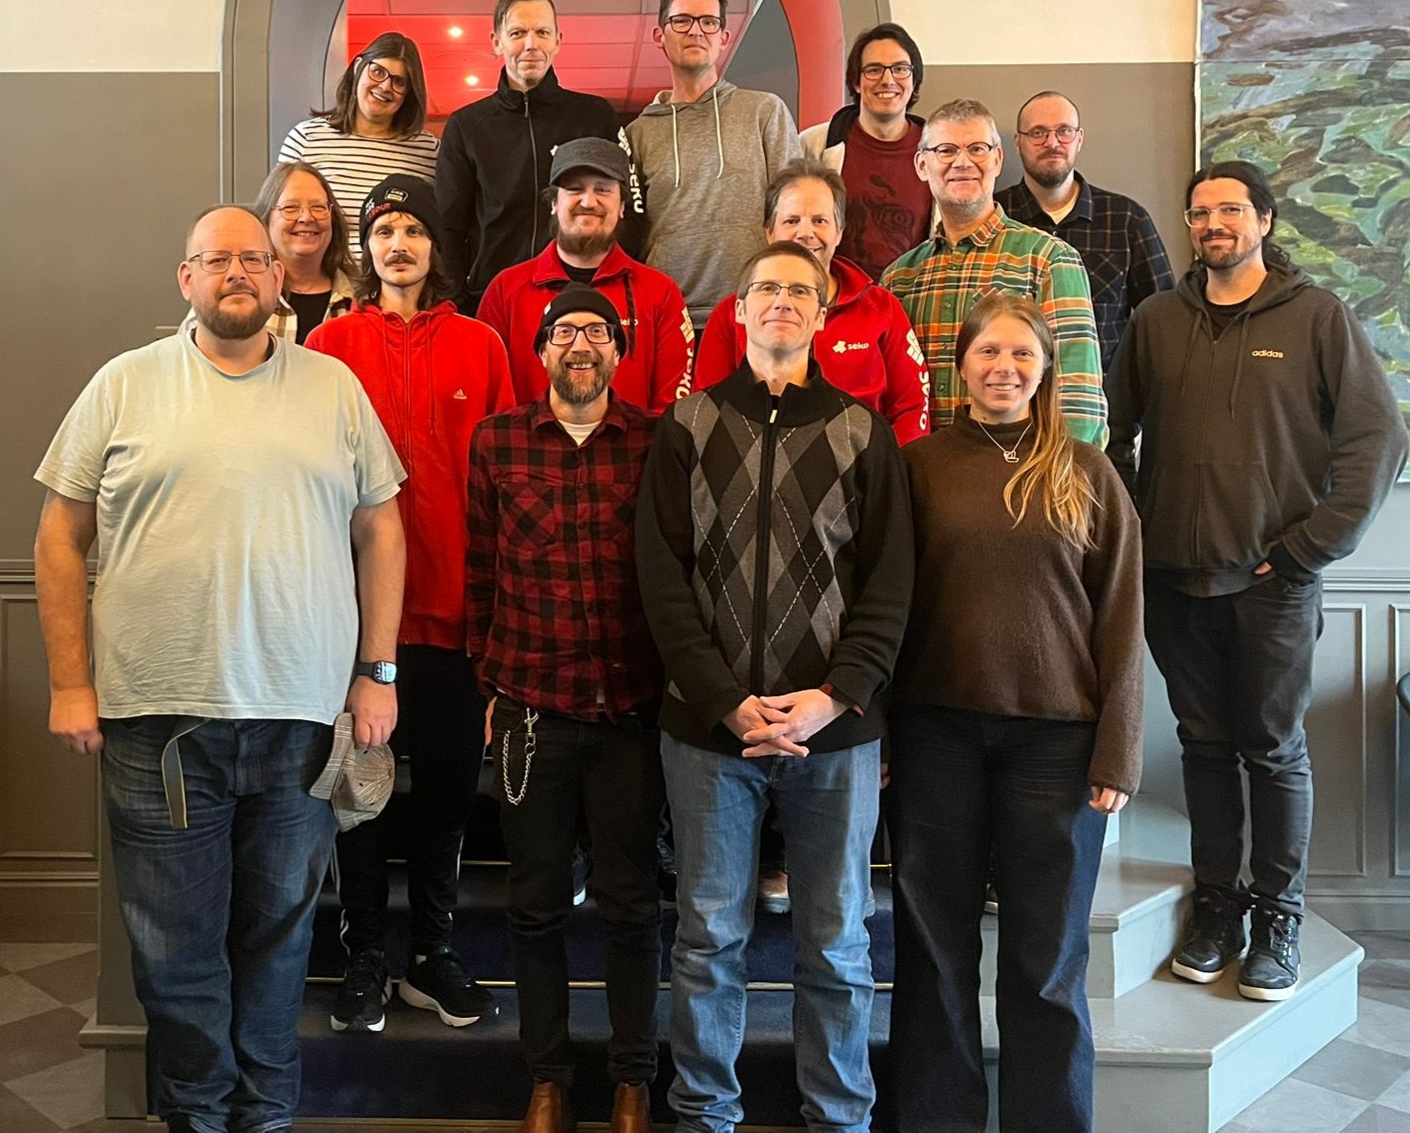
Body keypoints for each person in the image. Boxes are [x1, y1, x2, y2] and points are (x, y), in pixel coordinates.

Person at [34, 205, 406, 1133]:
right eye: (217, 259)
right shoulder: (124, 383)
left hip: (300, 719)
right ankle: (197, 1118)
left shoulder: (333, 387)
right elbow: (59, 534)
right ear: (186, 277)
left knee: (279, 943)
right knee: (174, 953)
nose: (237, 271)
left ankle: (265, 1116)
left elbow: (381, 528)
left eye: (254, 258)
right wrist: (70, 681)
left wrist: (379, 670)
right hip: (157, 723)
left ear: (280, 278)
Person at [1108, 160, 1406, 1002]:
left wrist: (1310, 547)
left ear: (1264, 220)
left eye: (1231, 210)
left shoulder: (1316, 317)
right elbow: (1112, 433)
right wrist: (1138, 529)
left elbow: (1377, 441)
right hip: (1174, 581)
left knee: (1273, 751)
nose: (1214, 224)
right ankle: (1217, 912)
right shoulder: (1157, 319)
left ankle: (1279, 919)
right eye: (1200, 212)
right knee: (1204, 746)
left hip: (1275, 583)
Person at [636, 241, 914, 1133]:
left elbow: (891, 585)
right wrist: (724, 700)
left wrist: (835, 696)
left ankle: (838, 1116)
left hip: (833, 733)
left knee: (836, 941)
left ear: (823, 314)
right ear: (739, 309)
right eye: (766, 288)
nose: (783, 301)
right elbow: (662, 579)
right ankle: (704, 1114)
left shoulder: (864, 432)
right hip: (709, 731)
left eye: (801, 290)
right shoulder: (687, 427)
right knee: (708, 937)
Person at [888, 291, 1143, 1133]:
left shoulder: (1086, 470)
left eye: (1022, 354)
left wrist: (1118, 750)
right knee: (933, 948)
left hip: (1058, 746)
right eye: (989, 352)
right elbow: (886, 609)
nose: (1004, 367)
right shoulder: (919, 467)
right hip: (935, 734)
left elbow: (1122, 618)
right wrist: (878, 732)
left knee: (1048, 954)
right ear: (960, 365)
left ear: (1046, 369)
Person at [305, 175, 512, 1033]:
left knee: (446, 798)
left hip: (457, 622)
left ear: (435, 246)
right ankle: (364, 955)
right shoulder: (329, 345)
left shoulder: (481, 344)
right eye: (384, 230)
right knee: (361, 797)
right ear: (367, 246)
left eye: (414, 230)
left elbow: (505, 487)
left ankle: (432, 952)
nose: (399, 244)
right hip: (356, 627)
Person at [467, 283, 666, 1133]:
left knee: (632, 903)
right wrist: (488, 685)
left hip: (630, 711)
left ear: (619, 350)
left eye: (597, 331)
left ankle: (631, 1080)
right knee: (535, 903)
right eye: (564, 332)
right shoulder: (497, 440)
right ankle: (548, 1075)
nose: (580, 345)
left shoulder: (657, 438)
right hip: (531, 709)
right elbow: (481, 570)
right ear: (541, 348)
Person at [884, 97, 1108, 445]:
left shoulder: (1047, 260)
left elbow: (1078, 398)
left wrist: (1064, 473)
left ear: (998, 159)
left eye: (977, 149)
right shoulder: (899, 278)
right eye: (946, 150)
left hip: (1019, 469)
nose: (963, 162)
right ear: (922, 165)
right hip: (920, 469)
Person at [692, 158, 930, 446]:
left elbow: (912, 408)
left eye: (820, 221)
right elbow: (708, 409)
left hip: (863, 466)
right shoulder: (733, 314)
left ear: (839, 232)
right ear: (770, 232)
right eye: (791, 221)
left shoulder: (881, 308)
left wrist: (885, 467)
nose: (806, 233)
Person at [437, 0, 646, 309]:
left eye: (542, 32)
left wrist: (608, 287)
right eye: (518, 33)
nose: (531, 44)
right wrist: (454, 306)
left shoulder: (595, 116)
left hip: (582, 303)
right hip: (492, 301)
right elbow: (448, 228)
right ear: (497, 41)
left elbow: (631, 211)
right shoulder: (466, 127)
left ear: (557, 41)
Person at [627, 0, 802, 328]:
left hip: (756, 313)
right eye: (682, 21)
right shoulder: (638, 134)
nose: (696, 31)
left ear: (724, 37)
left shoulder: (764, 111)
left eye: (708, 22)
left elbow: (795, 210)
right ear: (660, 36)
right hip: (670, 317)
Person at [479, 137, 693, 413]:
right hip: (526, 442)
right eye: (574, 189)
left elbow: (673, 409)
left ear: (622, 206)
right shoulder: (505, 291)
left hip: (635, 442)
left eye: (603, 190)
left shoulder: (660, 293)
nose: (589, 201)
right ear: (554, 203)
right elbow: (488, 396)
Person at [995, 91, 1176, 372]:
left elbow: (1163, 321)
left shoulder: (1126, 219)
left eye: (1064, 131)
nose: (1052, 142)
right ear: (1018, 142)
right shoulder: (995, 217)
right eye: (1038, 133)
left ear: (1079, 139)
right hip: (1012, 391)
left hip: (1105, 394)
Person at [277, 32, 439, 257]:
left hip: (397, 276)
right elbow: (280, 218)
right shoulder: (306, 138)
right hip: (322, 275)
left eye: (399, 82)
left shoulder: (428, 151)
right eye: (378, 72)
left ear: (409, 93)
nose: (385, 86)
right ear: (358, 67)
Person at [802, 22, 934, 275]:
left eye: (900, 69)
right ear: (856, 82)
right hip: (831, 294)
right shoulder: (812, 145)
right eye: (874, 70)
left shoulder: (938, 152)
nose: (888, 80)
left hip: (910, 297)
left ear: (914, 80)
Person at [253, 159, 359, 343]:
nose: (306, 217)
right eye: (290, 207)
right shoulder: (245, 295)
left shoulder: (364, 298)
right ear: (266, 220)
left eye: (318, 207)